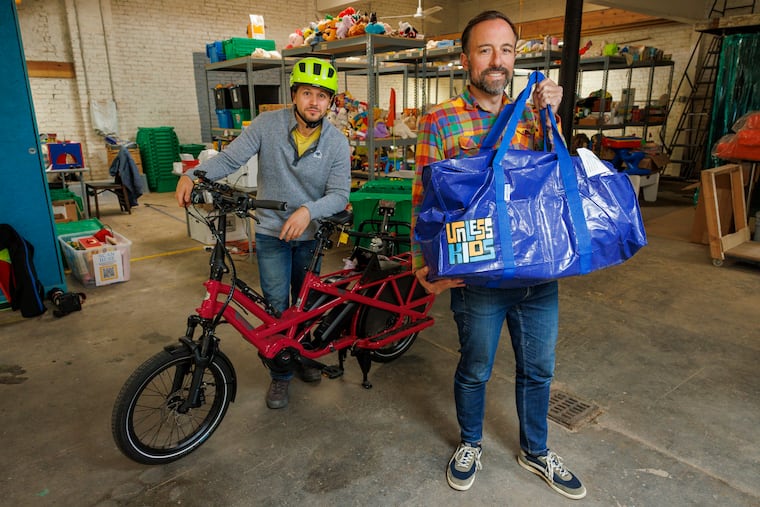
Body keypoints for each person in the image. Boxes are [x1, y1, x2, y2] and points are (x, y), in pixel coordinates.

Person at [412, 10, 586, 499]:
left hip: (536, 273)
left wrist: (552, 111)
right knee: (475, 368)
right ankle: (470, 442)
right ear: (465, 58)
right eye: (485, 50)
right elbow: (422, 199)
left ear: (515, 58)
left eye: (506, 50)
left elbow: (557, 178)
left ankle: (536, 450)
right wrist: (422, 265)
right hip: (479, 277)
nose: (497, 60)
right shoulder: (440, 120)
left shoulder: (532, 113)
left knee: (539, 370)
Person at [176, 57, 352, 410]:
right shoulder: (267, 125)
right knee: (276, 308)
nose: (314, 102)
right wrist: (194, 174)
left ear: (331, 102)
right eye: (307, 93)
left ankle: (302, 357)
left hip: (312, 237)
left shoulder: (337, 143)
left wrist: (308, 210)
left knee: (306, 309)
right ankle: (281, 374)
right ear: (294, 96)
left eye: (322, 96)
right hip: (272, 233)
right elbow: (230, 159)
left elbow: (340, 195)